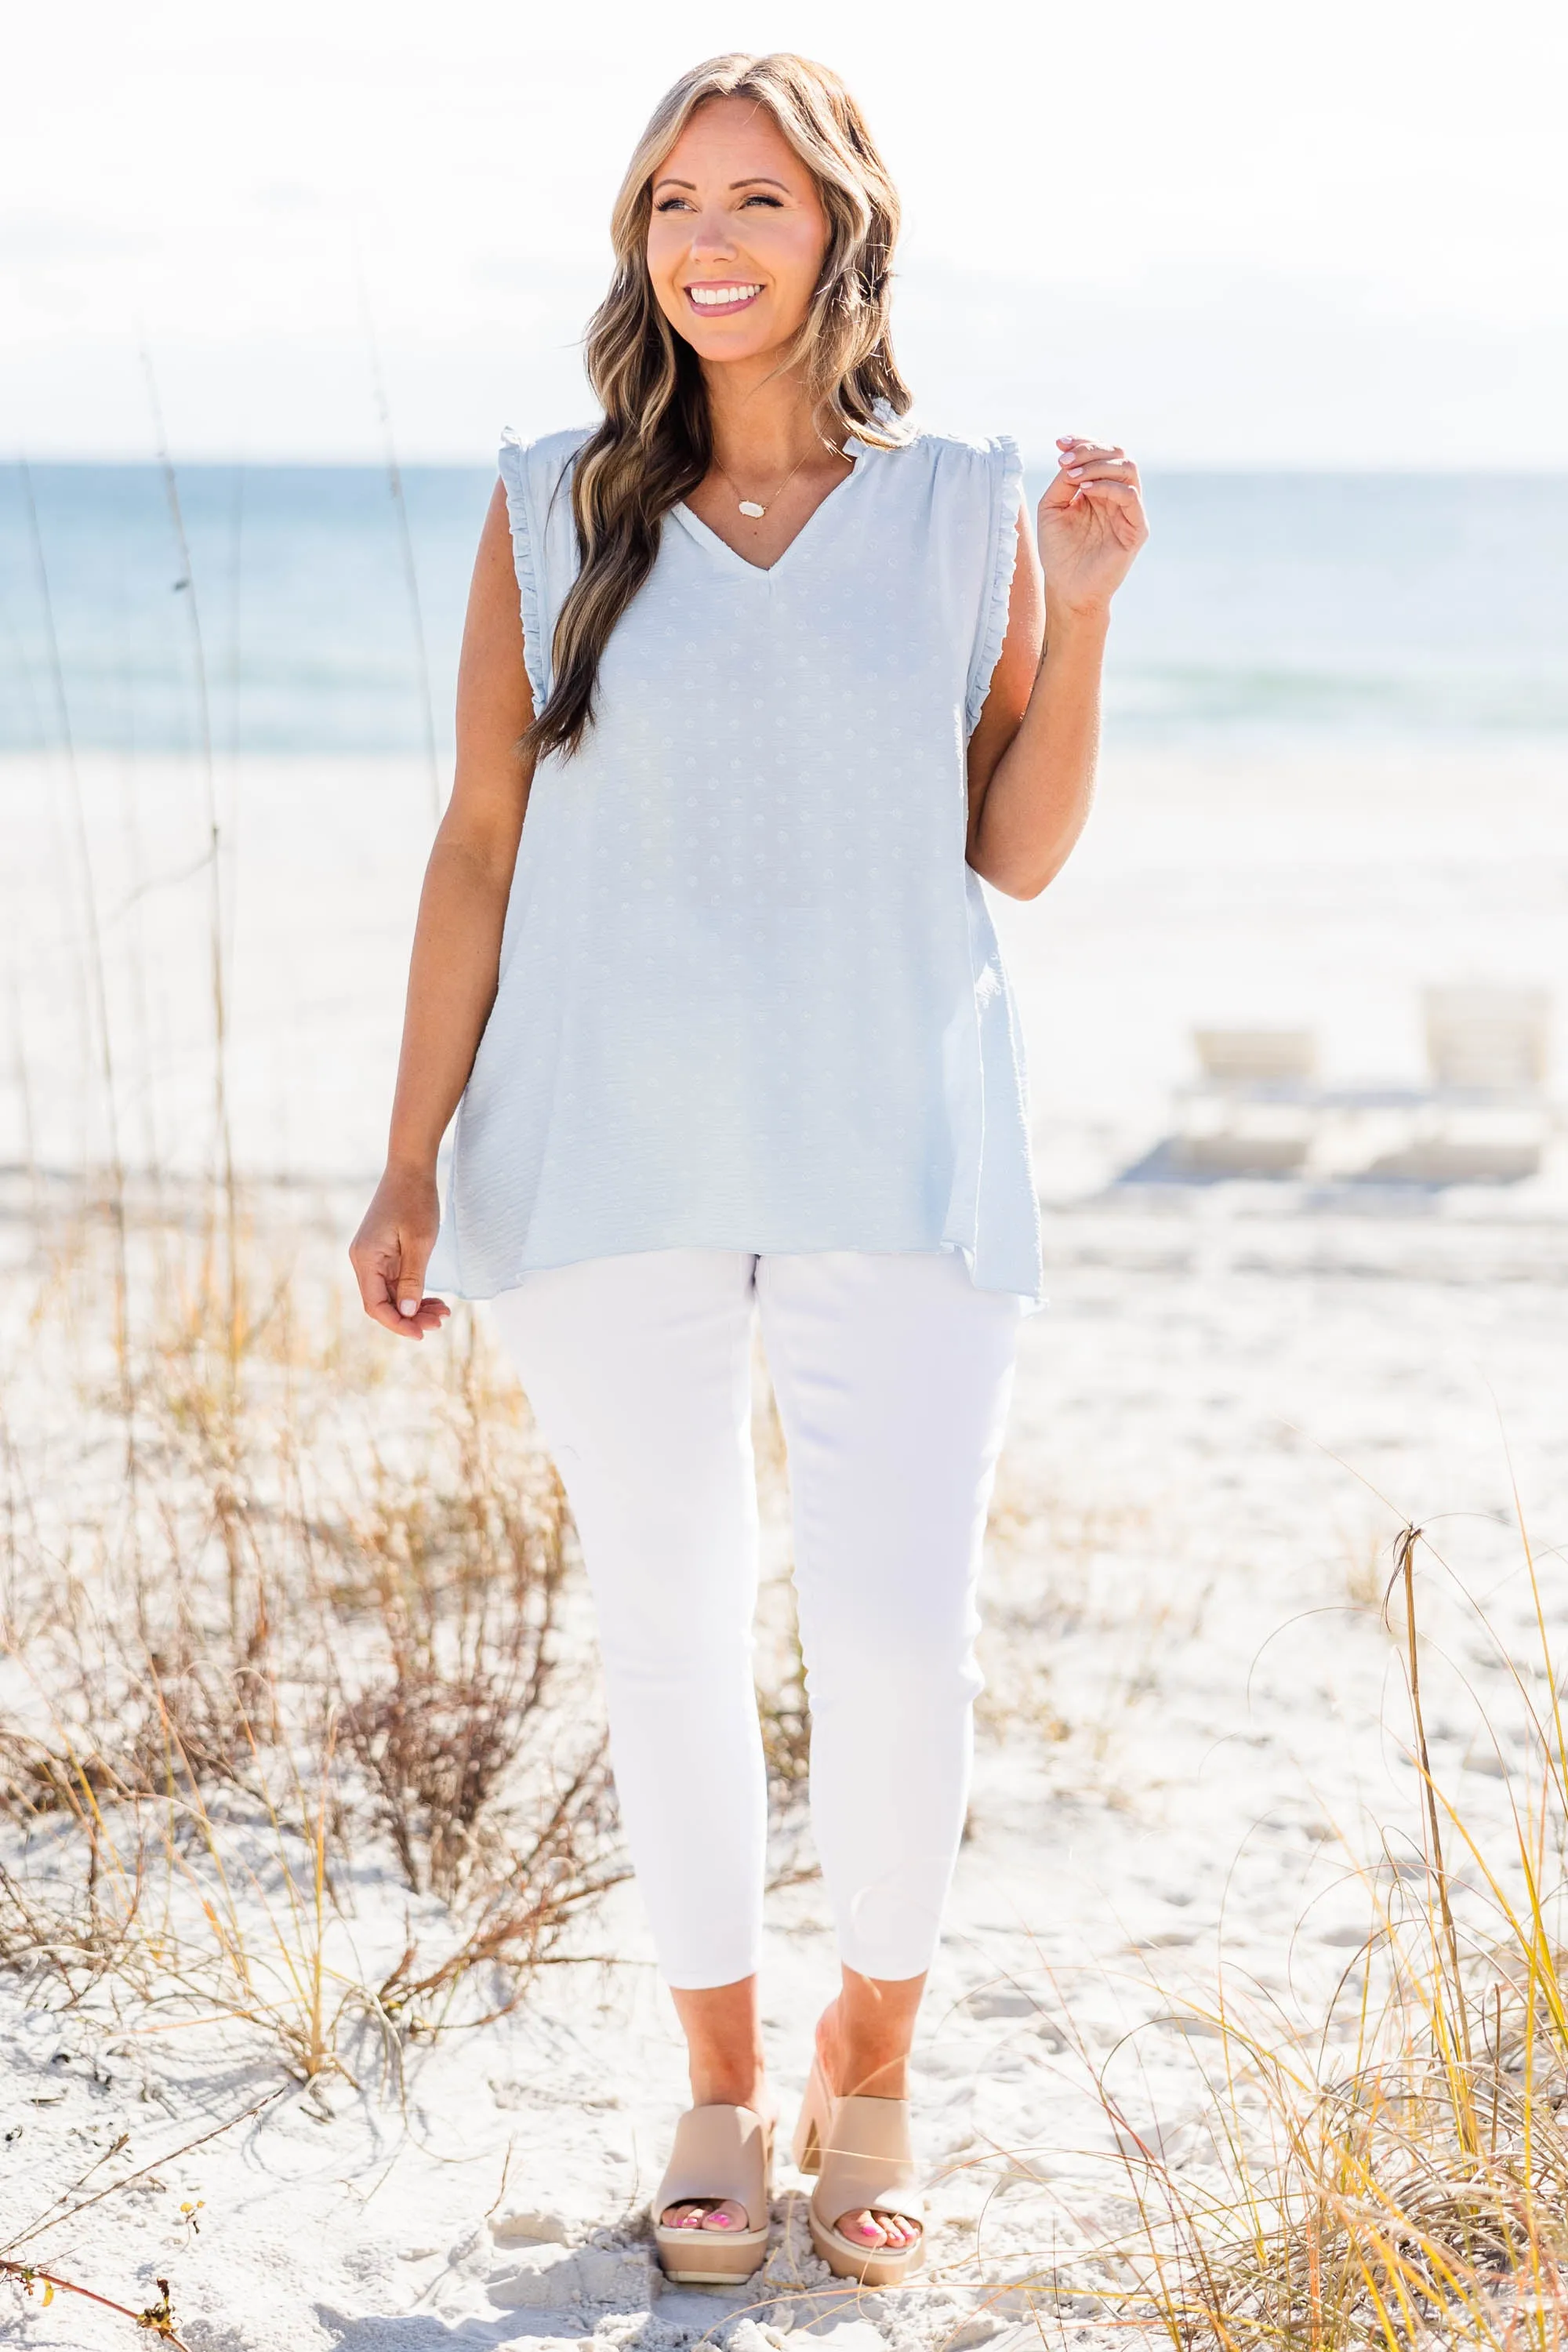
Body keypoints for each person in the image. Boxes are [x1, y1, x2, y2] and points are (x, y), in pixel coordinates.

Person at [350, 49, 1147, 2292]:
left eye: (757, 202)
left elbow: (1015, 850)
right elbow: (480, 842)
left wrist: (1081, 613)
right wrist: (409, 1150)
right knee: (671, 1634)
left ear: (842, 234)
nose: (708, 239)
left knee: (897, 1641)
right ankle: (716, 2082)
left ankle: (866, 2068)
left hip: (901, 1143)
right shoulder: (548, 507)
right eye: (675, 201)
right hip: (603, 1153)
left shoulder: (967, 503)